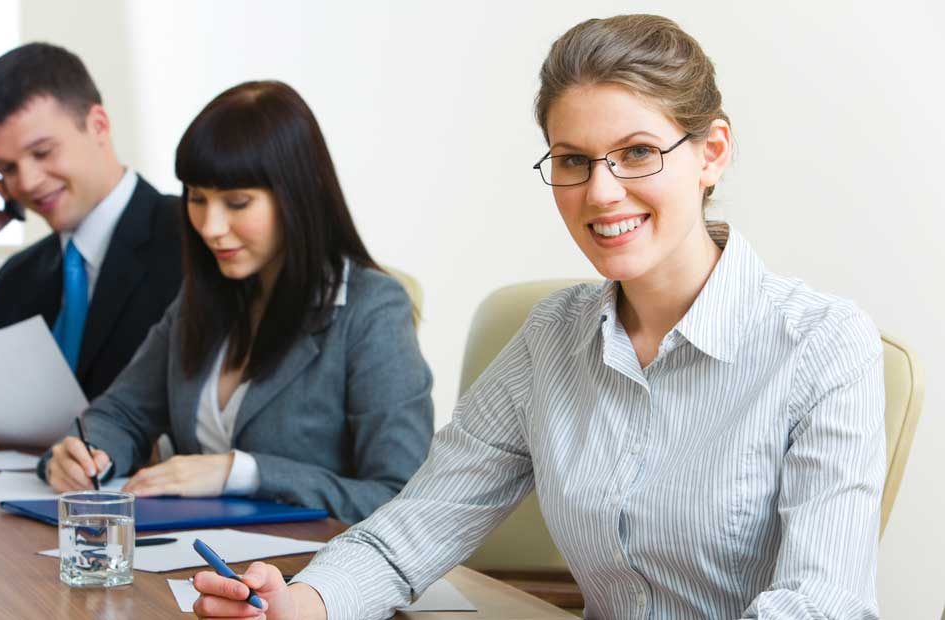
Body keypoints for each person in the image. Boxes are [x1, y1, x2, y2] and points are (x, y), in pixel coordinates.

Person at [191, 14, 886, 620]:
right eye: (573, 161)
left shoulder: (822, 344)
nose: (602, 193)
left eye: (638, 152)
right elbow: (415, 526)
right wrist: (298, 603)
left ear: (712, 153)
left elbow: (819, 604)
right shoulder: (553, 337)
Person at [40, 81, 434, 524]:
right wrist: (88, 452)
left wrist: (242, 472)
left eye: (237, 203)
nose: (210, 226)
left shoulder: (372, 310)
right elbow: (122, 411)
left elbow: (404, 498)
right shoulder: (202, 297)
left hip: (309, 576)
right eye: (197, 199)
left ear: (300, 194)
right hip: (197, 564)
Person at [0, 43, 182, 431]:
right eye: (7, 169)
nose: (28, 183)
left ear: (98, 125)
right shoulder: (22, 276)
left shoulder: (190, 243)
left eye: (42, 152)